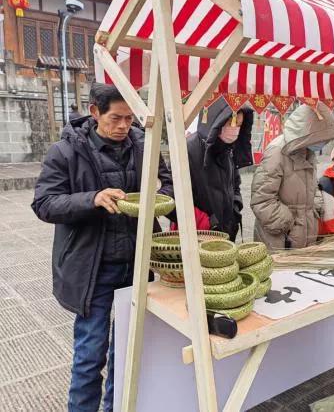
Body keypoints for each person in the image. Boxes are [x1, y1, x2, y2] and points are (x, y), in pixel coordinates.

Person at [31, 83, 174, 412]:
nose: (124, 126)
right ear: (94, 112)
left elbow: (166, 182)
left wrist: (161, 193)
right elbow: (44, 203)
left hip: (137, 263)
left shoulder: (143, 144)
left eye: (129, 118)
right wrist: (92, 198)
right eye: (115, 118)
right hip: (91, 267)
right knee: (90, 354)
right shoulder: (66, 151)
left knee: (128, 351)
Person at [251, 103, 334, 249]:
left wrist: (315, 208)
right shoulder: (277, 152)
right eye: (321, 139)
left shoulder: (307, 151)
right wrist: (289, 223)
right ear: (307, 133)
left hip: (303, 236)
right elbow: (262, 199)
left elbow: (312, 186)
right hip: (280, 239)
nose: (322, 144)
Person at [185, 97, 254, 241]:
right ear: (216, 121)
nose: (234, 129)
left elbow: (235, 183)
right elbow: (174, 196)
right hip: (198, 235)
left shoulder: (228, 148)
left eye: (239, 125)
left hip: (227, 231)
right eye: (230, 123)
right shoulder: (188, 149)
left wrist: (235, 206)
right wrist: (207, 221)